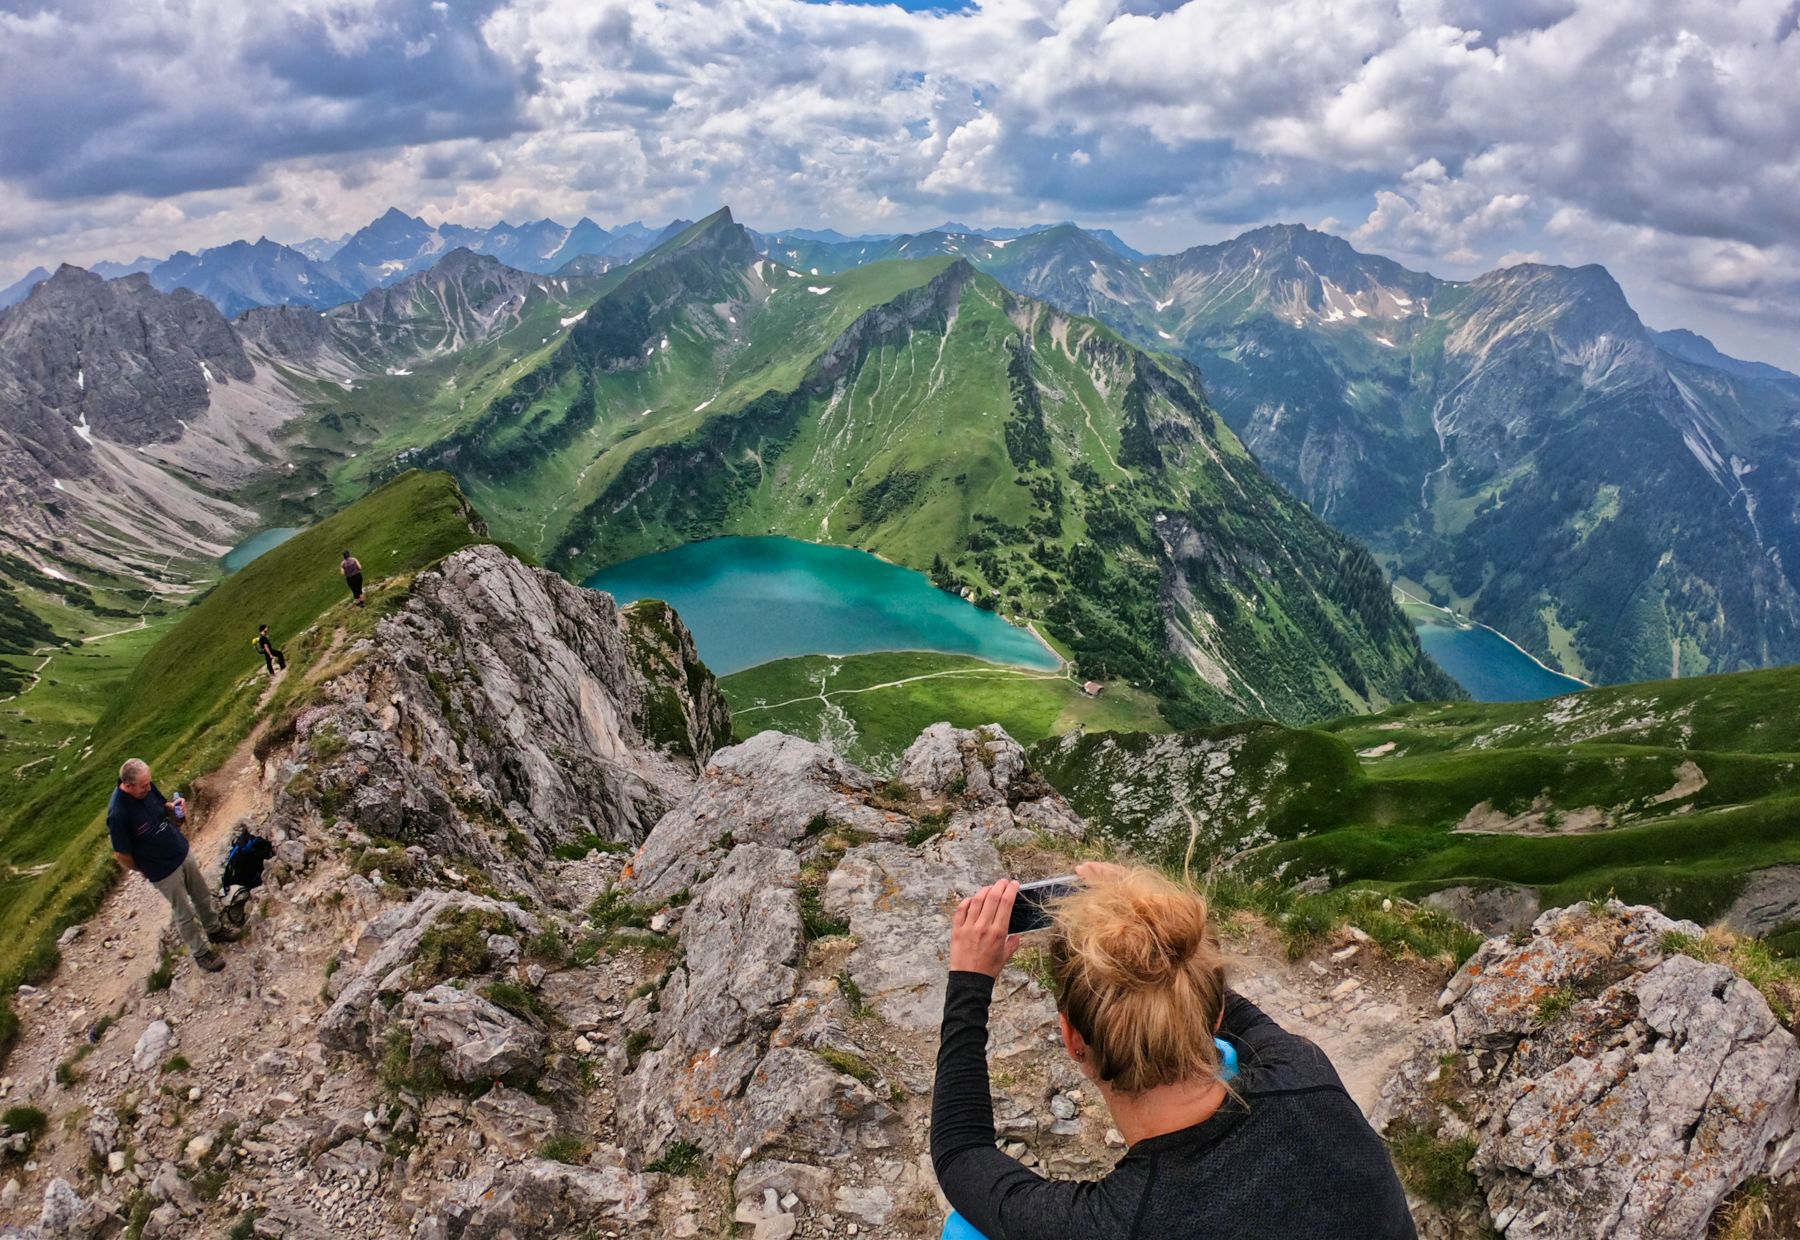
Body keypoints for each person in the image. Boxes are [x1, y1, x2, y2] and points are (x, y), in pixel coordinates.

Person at [932, 862, 1416, 1239]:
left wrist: (970, 982)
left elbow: (961, 1154)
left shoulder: (1115, 1222)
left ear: (1073, 1038)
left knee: (965, 1231)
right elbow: (1220, 1001)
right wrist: (1155, 928)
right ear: (1213, 1019)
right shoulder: (1304, 1074)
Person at [108, 759, 238, 973]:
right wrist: (143, 868)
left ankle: (215, 930)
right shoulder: (118, 814)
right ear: (128, 785)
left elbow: (162, 806)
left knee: (202, 894)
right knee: (183, 911)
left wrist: (176, 808)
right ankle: (201, 953)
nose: (148, 788)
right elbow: (121, 854)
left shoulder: (145, 788)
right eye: (143, 786)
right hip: (162, 870)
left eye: (149, 783)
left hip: (180, 850)